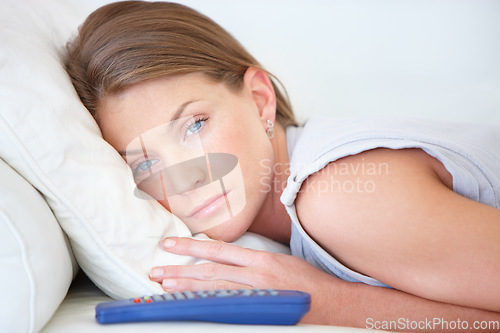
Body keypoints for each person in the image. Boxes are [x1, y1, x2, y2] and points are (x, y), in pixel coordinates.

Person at [64, 1, 500, 330]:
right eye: (145, 164)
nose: (186, 176)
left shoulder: (338, 198)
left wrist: (333, 303)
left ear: (259, 99)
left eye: (195, 125)